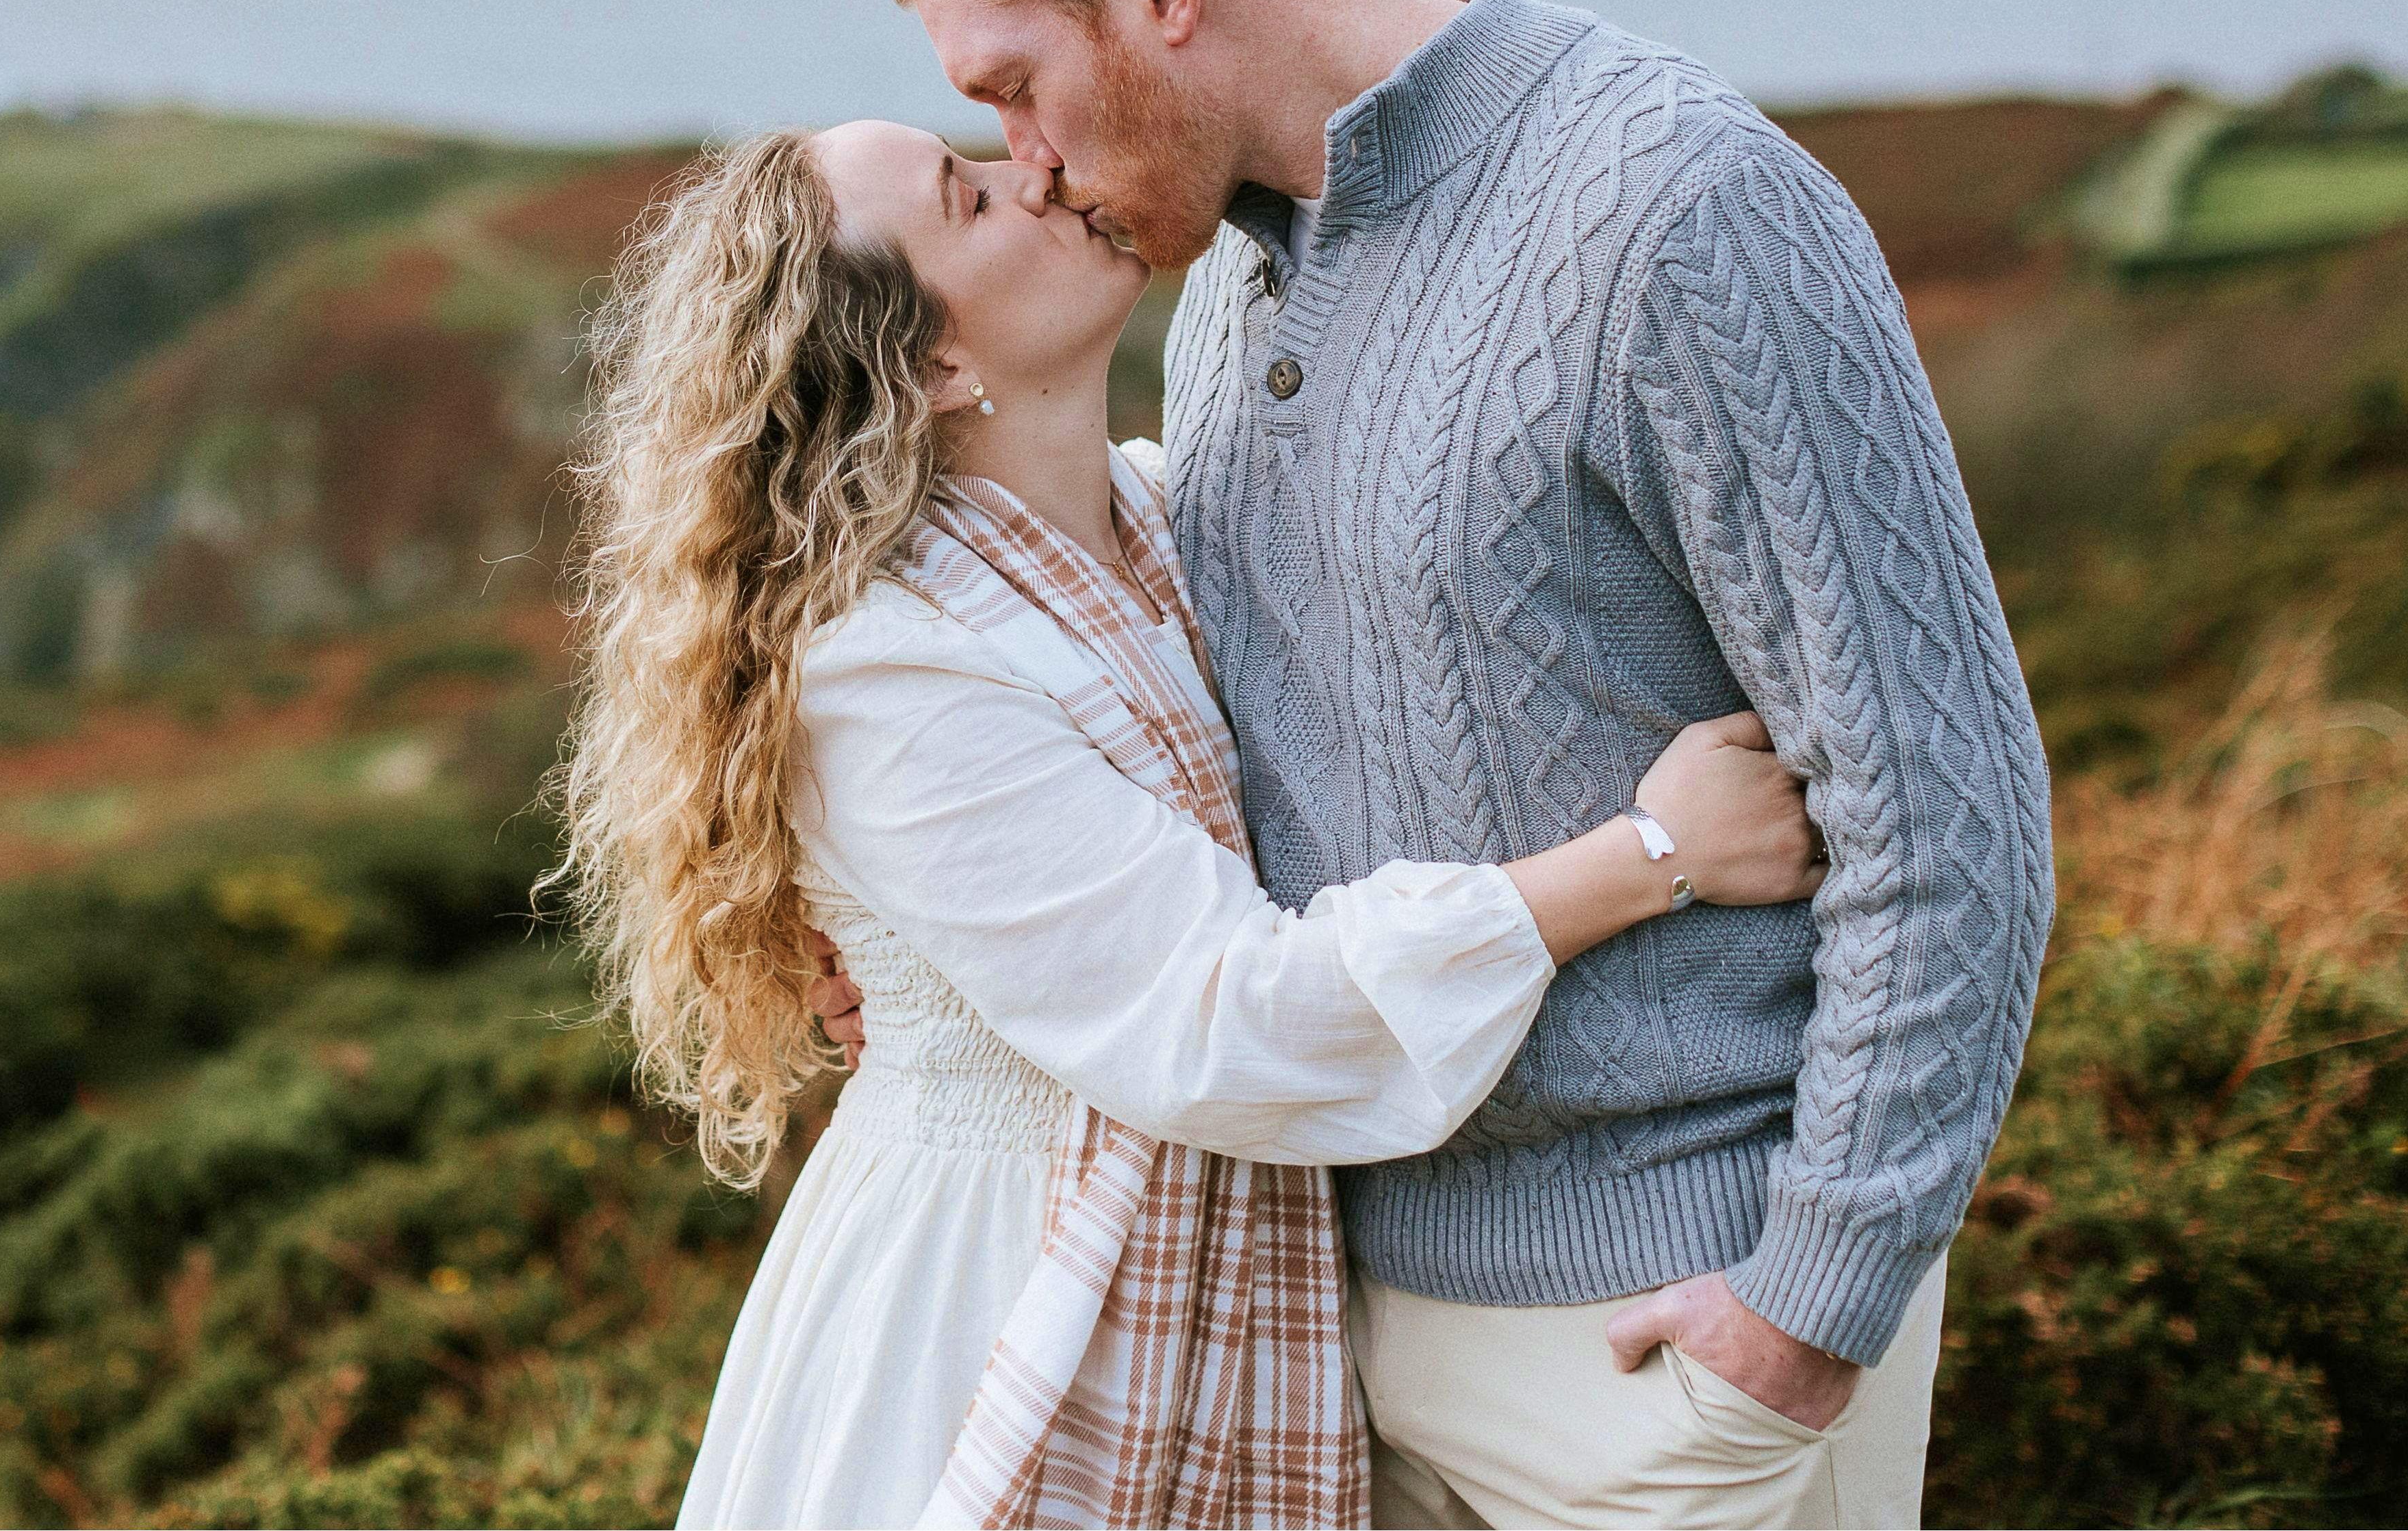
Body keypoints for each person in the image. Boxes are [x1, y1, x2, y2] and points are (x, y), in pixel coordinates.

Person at [863, 0, 2057, 1530]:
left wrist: (1802, 1311)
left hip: (1658, 1353)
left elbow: (1950, 800)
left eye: (1015, 86)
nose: (1023, 161)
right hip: (1332, 1337)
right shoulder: (1221, 293)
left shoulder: (1673, 205)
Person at [549, 123, 1827, 1531]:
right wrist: (1650, 856)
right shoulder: (885, 669)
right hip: (990, 1287)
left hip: (1258, 1258)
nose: (1036, 170)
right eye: (968, 197)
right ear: (930, 364)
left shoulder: (1163, 518)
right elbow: (1219, 1009)